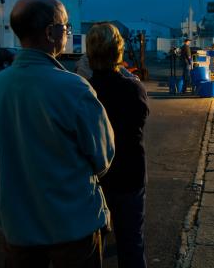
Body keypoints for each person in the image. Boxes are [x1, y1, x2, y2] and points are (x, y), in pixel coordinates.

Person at [0, 0, 114, 268]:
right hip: (72, 226)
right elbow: (103, 156)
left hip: (17, 227)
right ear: (50, 32)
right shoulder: (74, 88)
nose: (67, 33)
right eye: (65, 27)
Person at [87, 23, 149, 268]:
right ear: (119, 51)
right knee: (131, 242)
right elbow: (139, 121)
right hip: (129, 175)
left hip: (94, 178)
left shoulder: (85, 89)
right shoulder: (132, 88)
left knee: (93, 244)